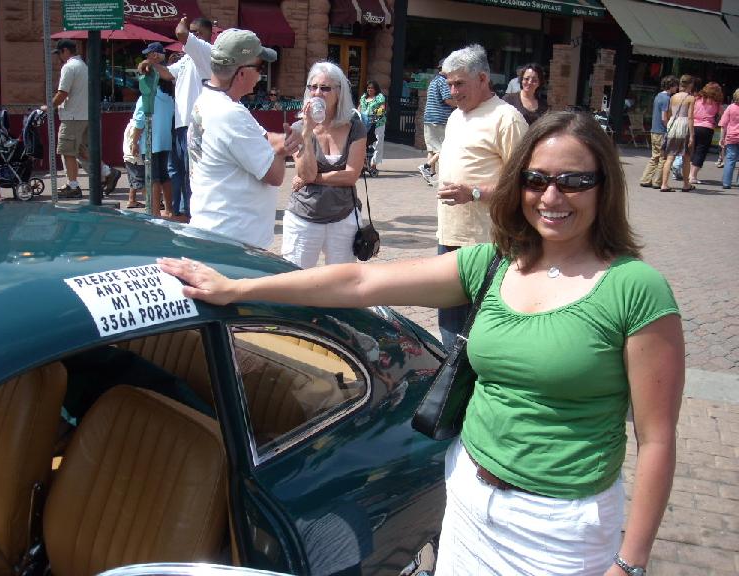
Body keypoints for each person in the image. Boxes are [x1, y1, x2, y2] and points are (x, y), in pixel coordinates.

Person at [158, 110, 684, 576]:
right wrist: (238, 289)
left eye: (573, 181)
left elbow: (656, 440)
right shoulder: (493, 264)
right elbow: (360, 283)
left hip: (562, 529)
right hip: (470, 502)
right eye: (536, 179)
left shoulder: (634, 290)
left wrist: (629, 563)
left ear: (603, 188)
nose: (551, 197)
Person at [435, 44, 527, 350]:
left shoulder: (507, 118)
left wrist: (473, 192)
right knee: (449, 326)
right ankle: (452, 390)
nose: (452, 91)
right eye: (448, 83)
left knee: (483, 329)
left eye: (459, 83)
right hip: (449, 237)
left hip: (488, 243)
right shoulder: (455, 118)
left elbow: (525, 184)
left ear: (483, 78)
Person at [187, 28, 301, 249]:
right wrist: (283, 151)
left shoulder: (211, 100)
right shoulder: (230, 114)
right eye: (259, 68)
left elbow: (265, 137)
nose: (261, 76)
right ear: (241, 73)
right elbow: (274, 176)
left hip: (216, 230)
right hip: (233, 241)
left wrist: (281, 141)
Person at [281, 61, 367, 268]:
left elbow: (350, 176)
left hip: (343, 216)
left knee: (340, 285)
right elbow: (306, 173)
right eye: (313, 87)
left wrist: (314, 179)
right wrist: (308, 131)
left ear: (339, 93)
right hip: (304, 216)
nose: (317, 93)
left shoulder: (355, 127)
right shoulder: (299, 128)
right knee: (296, 281)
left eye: (325, 88)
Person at [141, 16, 212, 221]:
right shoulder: (188, 57)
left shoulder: (205, 51)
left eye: (196, 31)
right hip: (182, 125)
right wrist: (152, 64)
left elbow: (181, 33)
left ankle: (194, 215)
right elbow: (168, 74)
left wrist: (183, 23)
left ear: (206, 34)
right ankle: (183, 212)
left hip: (196, 125)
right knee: (178, 172)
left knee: (193, 175)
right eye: (192, 31)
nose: (193, 35)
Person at [44, 39, 121, 199]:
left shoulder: (69, 67)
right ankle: (107, 172)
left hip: (73, 116)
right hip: (86, 115)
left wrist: (48, 107)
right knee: (82, 151)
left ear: (65, 51)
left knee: (67, 151)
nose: (58, 57)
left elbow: (62, 93)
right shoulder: (84, 66)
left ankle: (73, 185)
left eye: (59, 53)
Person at [129, 79, 175, 217]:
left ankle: (154, 212)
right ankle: (169, 210)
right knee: (164, 176)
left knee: (152, 178)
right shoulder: (169, 98)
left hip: (150, 143)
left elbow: (139, 122)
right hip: (165, 141)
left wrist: (134, 142)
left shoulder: (146, 97)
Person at [419, 59, 455, 184]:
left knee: (432, 149)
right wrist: (459, 105)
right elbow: (447, 100)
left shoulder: (433, 81)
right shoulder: (444, 81)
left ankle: (431, 175)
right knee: (443, 148)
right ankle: (426, 166)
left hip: (429, 118)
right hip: (440, 119)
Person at [639, 75, 679, 189]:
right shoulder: (667, 99)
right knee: (663, 158)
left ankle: (645, 179)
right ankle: (658, 182)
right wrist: (669, 128)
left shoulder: (658, 96)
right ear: (671, 86)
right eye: (675, 86)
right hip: (662, 132)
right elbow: (664, 117)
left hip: (654, 130)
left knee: (654, 156)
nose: (676, 88)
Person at [660, 75, 696, 192]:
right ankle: (686, 185)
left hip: (673, 126)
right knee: (686, 157)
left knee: (670, 156)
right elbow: (690, 117)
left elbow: (670, 113)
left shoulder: (673, 97)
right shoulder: (691, 98)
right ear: (690, 85)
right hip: (684, 127)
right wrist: (692, 135)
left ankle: (664, 184)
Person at [688, 82, 723, 185]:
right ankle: (693, 176)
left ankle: (689, 173)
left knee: (692, 151)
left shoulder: (697, 99)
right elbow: (723, 115)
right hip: (707, 128)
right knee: (701, 152)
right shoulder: (716, 103)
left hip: (693, 126)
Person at [357, 80, 387, 174]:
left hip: (377, 123)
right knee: (363, 143)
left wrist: (376, 114)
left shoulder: (379, 97)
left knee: (377, 143)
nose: (369, 89)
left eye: (372, 88)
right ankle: (364, 163)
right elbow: (359, 107)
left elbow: (382, 107)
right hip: (364, 123)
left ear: (375, 89)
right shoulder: (364, 97)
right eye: (368, 88)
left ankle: (374, 164)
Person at [718, 87, 739, 189]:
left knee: (730, 160)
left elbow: (723, 124)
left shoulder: (730, 108)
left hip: (732, 137)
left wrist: (722, 138)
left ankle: (726, 183)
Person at [122, 117, 145, 209]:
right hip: (135, 158)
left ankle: (132, 200)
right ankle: (152, 201)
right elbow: (134, 144)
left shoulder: (130, 124)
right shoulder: (137, 127)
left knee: (133, 180)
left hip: (129, 158)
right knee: (142, 181)